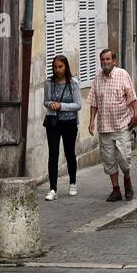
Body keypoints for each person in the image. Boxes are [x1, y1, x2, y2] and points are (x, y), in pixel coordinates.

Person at [87, 48, 137, 202]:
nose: (105, 62)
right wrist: (91, 121)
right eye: (102, 59)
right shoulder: (97, 78)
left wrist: (136, 113)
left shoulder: (122, 75)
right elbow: (94, 102)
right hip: (105, 127)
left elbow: (132, 98)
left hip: (122, 125)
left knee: (124, 157)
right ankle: (116, 190)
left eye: (108, 59)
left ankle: (127, 181)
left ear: (114, 61)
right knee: (109, 160)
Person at [43, 54, 81, 200]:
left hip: (69, 122)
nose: (57, 70)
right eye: (55, 67)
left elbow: (78, 105)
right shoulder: (49, 83)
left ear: (66, 67)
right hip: (53, 122)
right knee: (53, 153)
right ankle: (53, 188)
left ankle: (72, 183)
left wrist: (61, 106)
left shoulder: (73, 83)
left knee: (69, 152)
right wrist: (50, 104)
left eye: (60, 67)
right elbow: (45, 101)